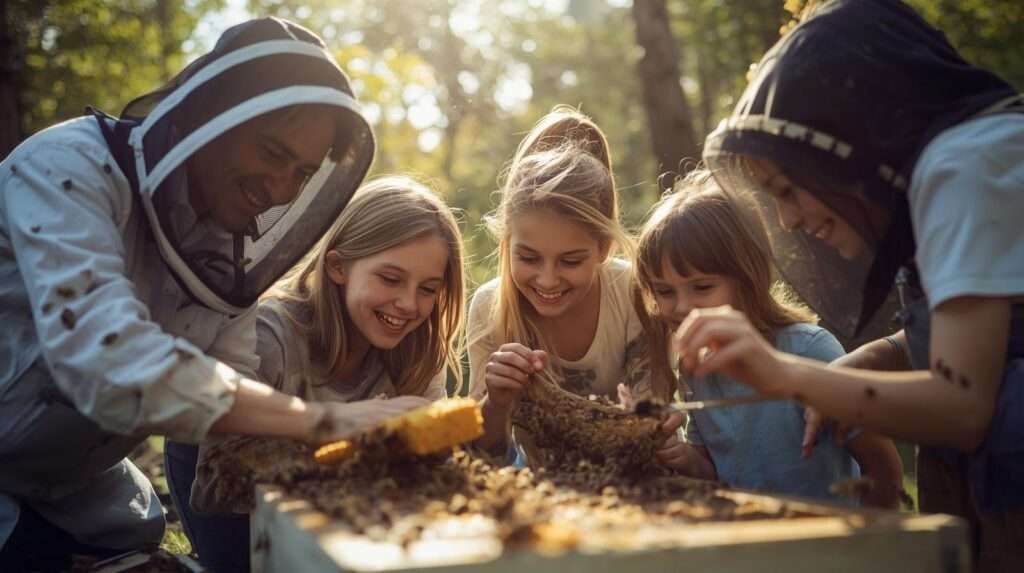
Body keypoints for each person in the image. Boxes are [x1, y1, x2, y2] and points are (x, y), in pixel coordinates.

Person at [0, 17, 425, 571]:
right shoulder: (66, 170)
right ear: (209, 117)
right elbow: (106, 357)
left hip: (76, 488)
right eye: (272, 152)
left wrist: (361, 451)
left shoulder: (225, 257)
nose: (280, 189)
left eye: (300, 172)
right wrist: (322, 421)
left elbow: (232, 397)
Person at [676, 0, 1023, 568]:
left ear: (846, 141)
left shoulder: (963, 166)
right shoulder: (943, 172)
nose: (786, 220)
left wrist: (788, 375)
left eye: (789, 188)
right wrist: (867, 362)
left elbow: (965, 406)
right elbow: (986, 335)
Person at [170, 176, 466, 572]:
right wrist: (356, 444)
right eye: (390, 279)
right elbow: (214, 486)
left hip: (344, 512)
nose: (409, 304)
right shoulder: (268, 339)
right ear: (338, 266)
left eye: (428, 288)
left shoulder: (417, 350)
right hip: (231, 503)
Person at [629, 169, 904, 506]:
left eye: (702, 287)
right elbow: (713, 470)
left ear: (748, 277)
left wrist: (873, 546)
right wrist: (682, 457)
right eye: (664, 291)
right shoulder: (697, 368)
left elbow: (883, 467)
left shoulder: (810, 350)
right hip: (747, 545)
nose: (682, 306)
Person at [467, 106, 654, 460]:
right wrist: (497, 400)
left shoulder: (632, 292)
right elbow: (484, 454)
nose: (548, 279)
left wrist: (642, 417)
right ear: (507, 241)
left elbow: (656, 417)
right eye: (528, 258)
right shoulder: (488, 309)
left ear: (603, 247)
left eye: (570, 261)